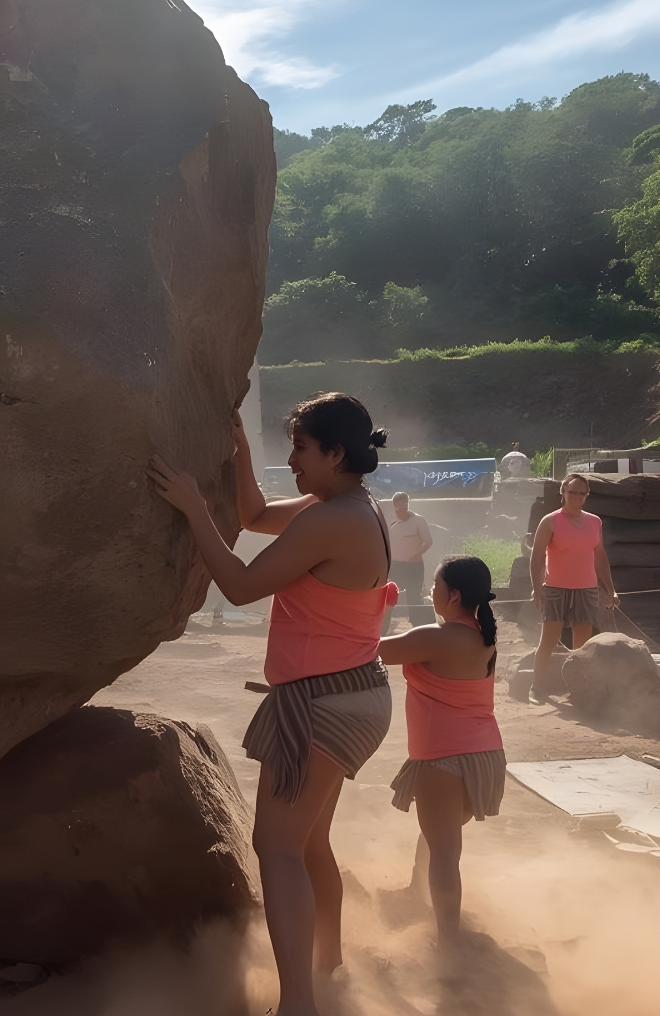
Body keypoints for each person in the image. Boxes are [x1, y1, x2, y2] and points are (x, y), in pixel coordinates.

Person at [150, 393, 395, 1016]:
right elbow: (256, 514)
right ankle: (328, 966)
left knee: (278, 847)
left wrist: (193, 509)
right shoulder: (346, 506)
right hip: (353, 696)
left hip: (325, 705)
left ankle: (299, 1005)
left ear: (335, 452)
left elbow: (237, 586)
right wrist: (239, 449)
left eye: (301, 449)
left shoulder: (332, 519)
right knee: (309, 844)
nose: (294, 460)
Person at [378, 555, 505, 953]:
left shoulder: (437, 636)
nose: (430, 592)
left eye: (435, 585)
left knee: (445, 852)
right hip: (485, 756)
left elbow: (369, 649)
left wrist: (379, 608)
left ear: (453, 595)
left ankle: (448, 939)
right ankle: (416, 892)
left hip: (445, 757)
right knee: (439, 840)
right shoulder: (483, 634)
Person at [529, 472, 618, 704]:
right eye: (572, 492)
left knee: (582, 644)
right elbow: (537, 556)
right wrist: (537, 588)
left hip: (586, 589)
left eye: (581, 493)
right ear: (563, 493)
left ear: (586, 495)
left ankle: (577, 690)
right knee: (549, 640)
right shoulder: (550, 521)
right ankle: (537, 687)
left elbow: (599, 556)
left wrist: (610, 588)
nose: (576, 497)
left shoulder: (594, 522)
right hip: (556, 588)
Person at [385, 492, 434, 631]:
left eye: (404, 506)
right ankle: (385, 626)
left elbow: (428, 542)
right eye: (398, 508)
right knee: (389, 596)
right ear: (394, 507)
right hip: (395, 566)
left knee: (414, 596)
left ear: (407, 505)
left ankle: (417, 627)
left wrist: (416, 555)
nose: (401, 510)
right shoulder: (392, 524)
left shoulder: (419, 521)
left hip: (413, 566)